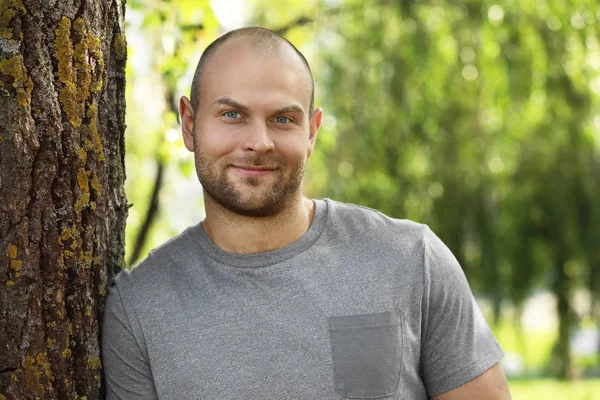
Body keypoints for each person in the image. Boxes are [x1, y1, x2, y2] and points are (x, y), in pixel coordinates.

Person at [102, 27, 511, 400]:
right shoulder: (139, 308)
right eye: (232, 114)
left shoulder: (412, 259)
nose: (259, 142)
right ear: (190, 124)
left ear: (311, 131)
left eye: (283, 119)